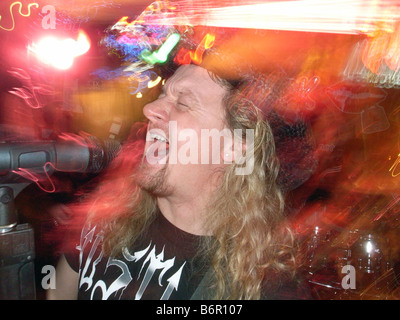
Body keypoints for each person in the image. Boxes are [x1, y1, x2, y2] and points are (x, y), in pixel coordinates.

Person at [47, 63, 312, 300]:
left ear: (236, 147)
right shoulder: (105, 215)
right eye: (162, 95)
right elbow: (58, 293)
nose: (149, 109)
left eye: (183, 103)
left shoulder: (265, 286)